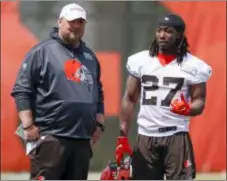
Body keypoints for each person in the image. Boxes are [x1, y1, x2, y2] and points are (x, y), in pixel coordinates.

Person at [11, 3, 105, 180]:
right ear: (60, 22)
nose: (76, 26)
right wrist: (28, 125)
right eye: (71, 21)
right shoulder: (41, 51)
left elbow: (98, 91)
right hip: (51, 137)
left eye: (80, 22)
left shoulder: (90, 56)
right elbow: (22, 89)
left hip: (82, 139)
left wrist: (99, 123)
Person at [115, 14, 212, 180]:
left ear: (180, 35)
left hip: (176, 135)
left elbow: (200, 101)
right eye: (159, 30)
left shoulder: (194, 66)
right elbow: (130, 99)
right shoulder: (141, 61)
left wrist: (188, 108)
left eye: (168, 31)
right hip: (146, 135)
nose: (162, 35)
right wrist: (122, 136)